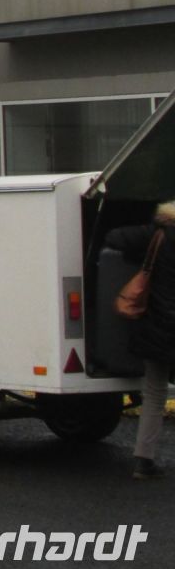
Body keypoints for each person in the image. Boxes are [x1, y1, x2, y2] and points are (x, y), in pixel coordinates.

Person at [106, 200, 175, 480]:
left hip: (158, 326)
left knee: (155, 392)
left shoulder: (157, 234)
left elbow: (113, 237)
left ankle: (143, 461)